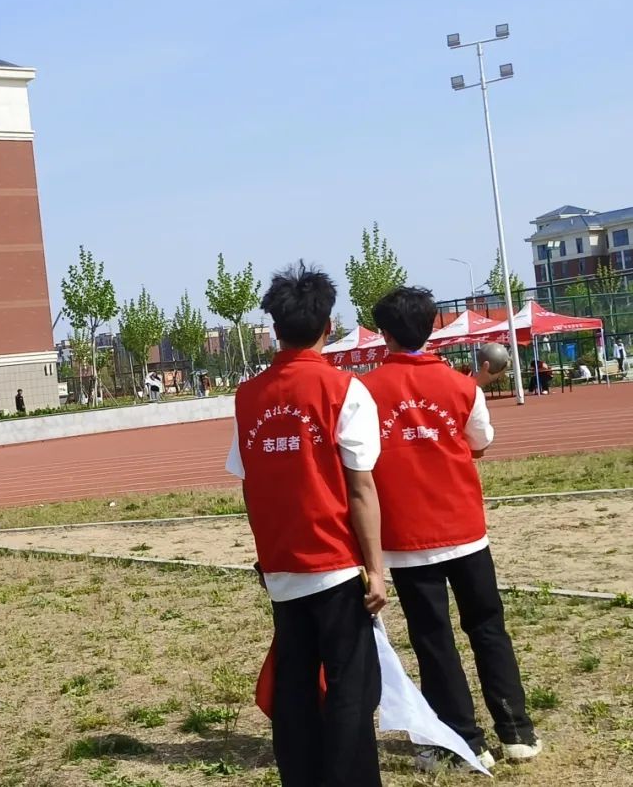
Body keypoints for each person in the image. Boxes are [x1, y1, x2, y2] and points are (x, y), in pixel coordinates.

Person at [365, 286, 540, 771]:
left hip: (406, 538)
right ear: (431, 328)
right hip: (465, 530)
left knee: (433, 639)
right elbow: (481, 439)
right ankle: (517, 732)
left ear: (384, 333)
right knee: (488, 628)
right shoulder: (463, 387)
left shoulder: (365, 391)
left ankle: (463, 740)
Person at [225, 263, 386, 787]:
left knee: (294, 686)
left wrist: (266, 552)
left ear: (275, 327)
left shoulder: (248, 397)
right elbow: (361, 488)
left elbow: (249, 482)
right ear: (328, 325)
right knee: (349, 687)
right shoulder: (343, 390)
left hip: (282, 567)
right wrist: (376, 569)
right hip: (335, 564)